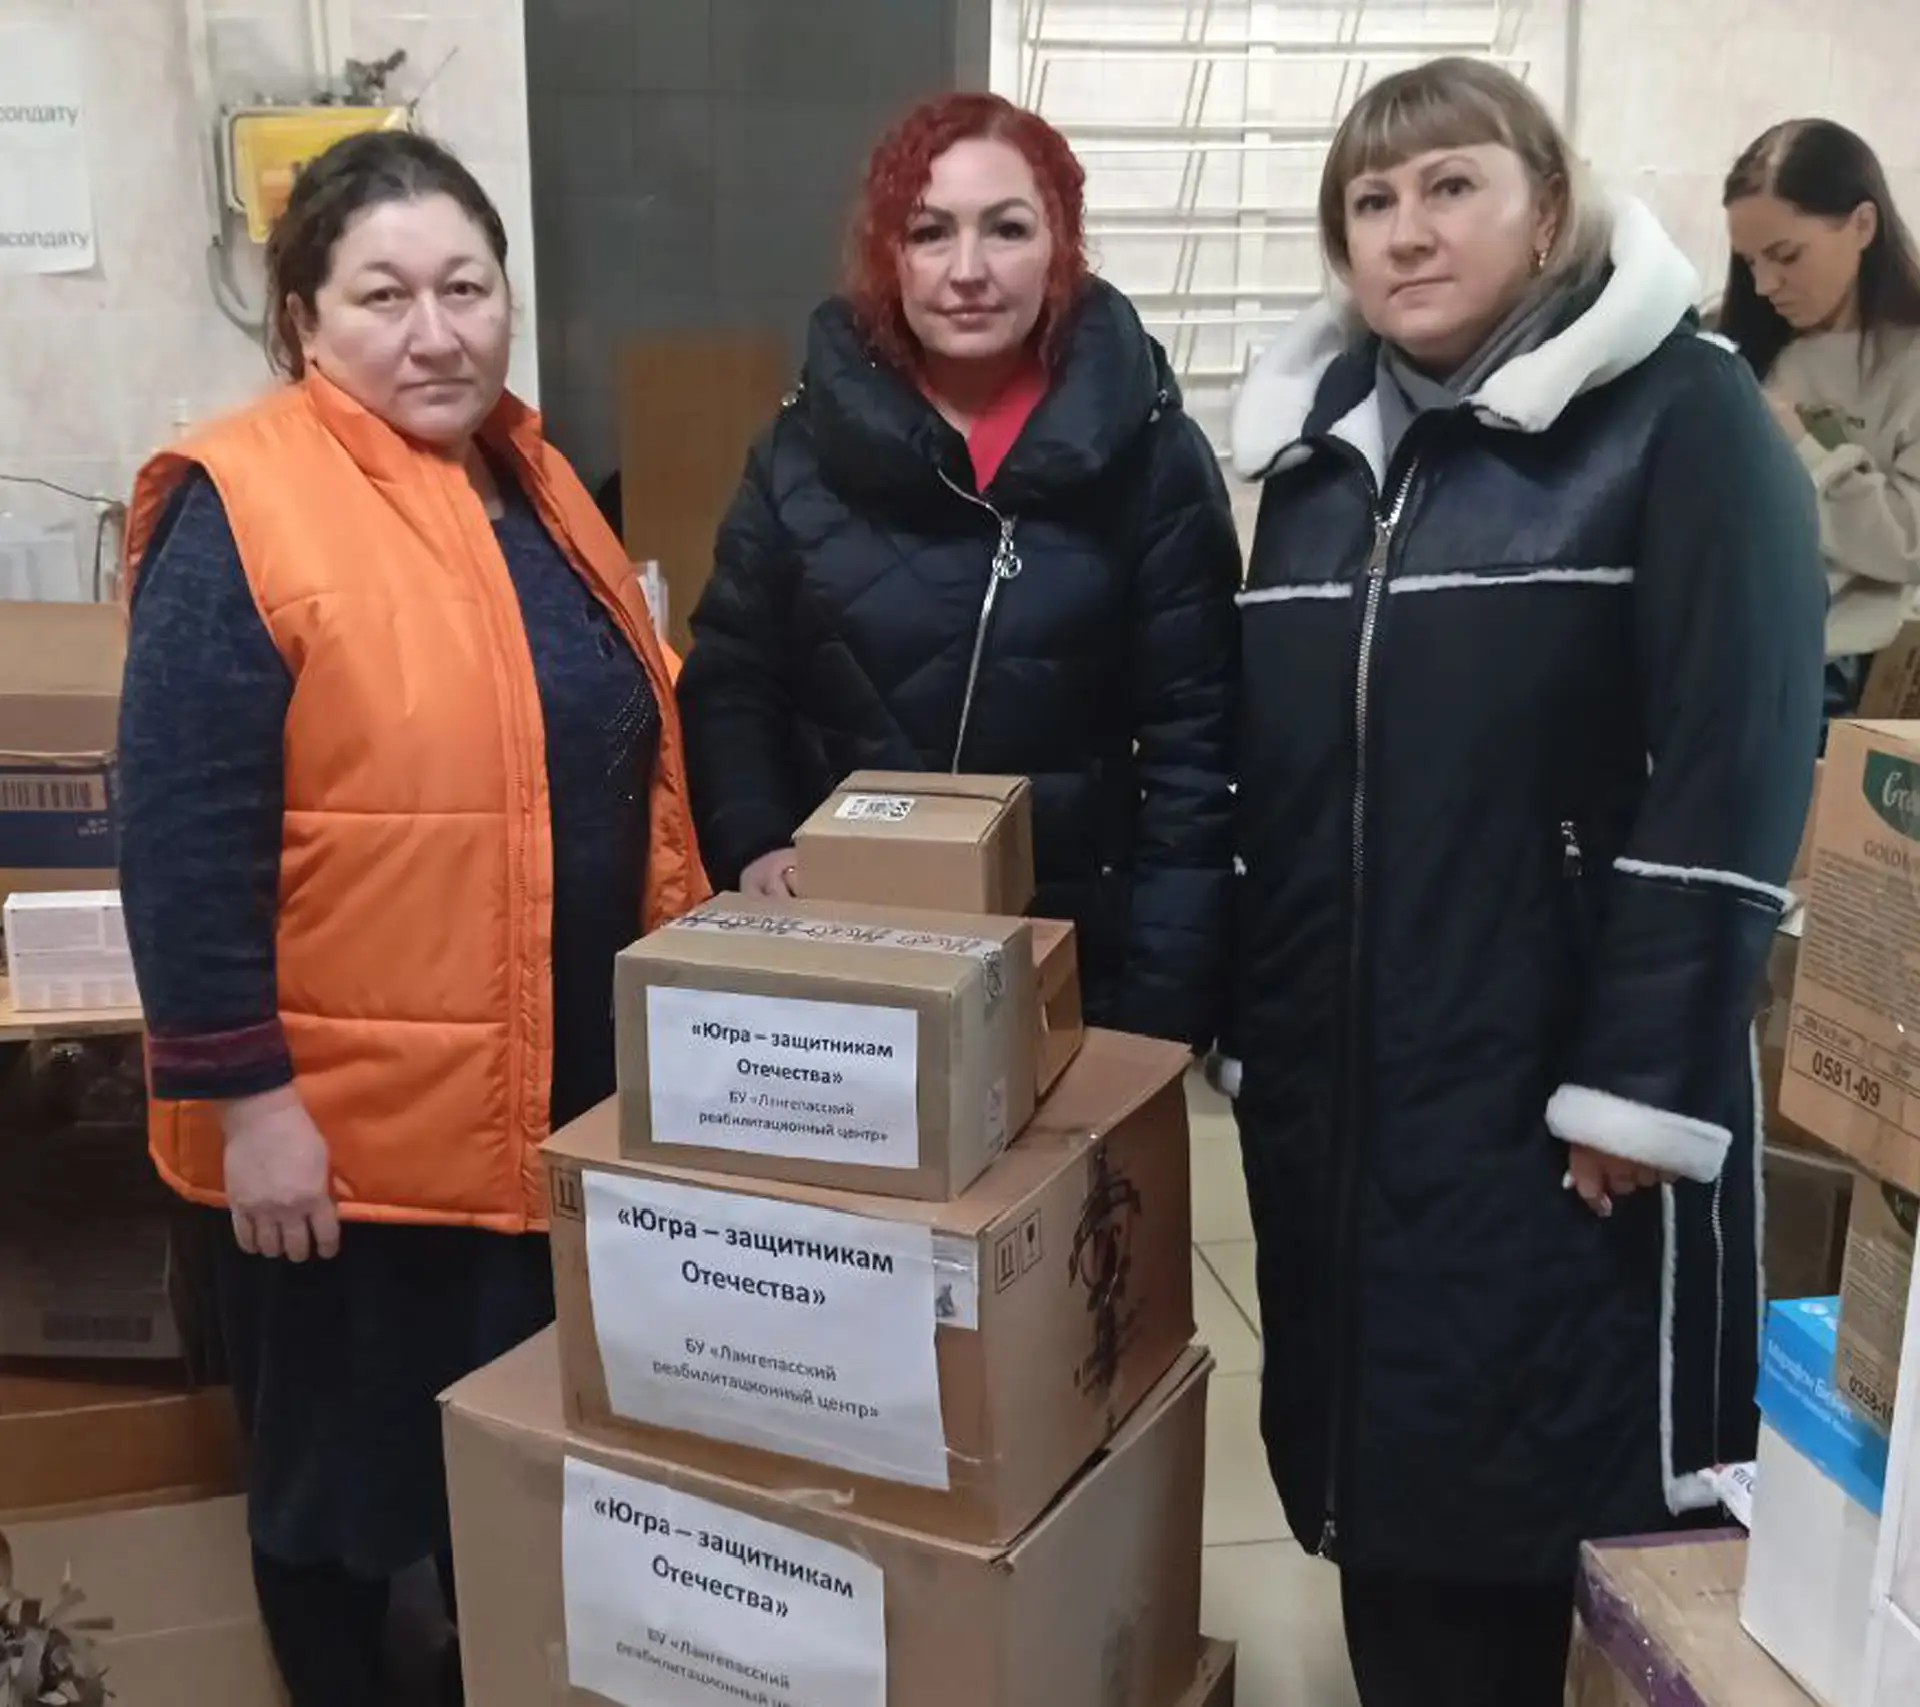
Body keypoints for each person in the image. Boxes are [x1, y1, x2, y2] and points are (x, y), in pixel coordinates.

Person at [1220, 58, 1824, 1706]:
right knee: (1384, 1491)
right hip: (1351, 1085)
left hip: (1558, 1091)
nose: (1407, 232)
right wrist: (1257, 1028)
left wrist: (1640, 1078)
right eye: (1371, 201)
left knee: (1542, 1499)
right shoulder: (1318, 466)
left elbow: (1738, 764)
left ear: (1547, 208)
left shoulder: (1685, 421)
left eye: (1452, 186)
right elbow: (1288, 780)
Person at [116, 130, 707, 1707]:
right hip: (345, 1148)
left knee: (501, 1477)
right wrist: (249, 1103)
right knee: (340, 1502)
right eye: (384, 295)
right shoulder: (245, 499)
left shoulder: (533, 478)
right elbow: (180, 828)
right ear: (303, 318)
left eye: (468, 286)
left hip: (536, 1108)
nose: (435, 331)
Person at [677, 91, 1239, 1050]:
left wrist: (1158, 1012)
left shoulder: (1152, 457)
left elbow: (1199, 748)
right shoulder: (800, 450)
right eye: (930, 232)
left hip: (1071, 971)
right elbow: (731, 677)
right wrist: (756, 842)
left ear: (1061, 247)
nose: (967, 270)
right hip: (839, 960)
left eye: (1007, 229)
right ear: (888, 255)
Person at [1723, 119, 1920, 720]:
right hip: (1734, 651)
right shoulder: (1739, 345)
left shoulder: (1908, 363)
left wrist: (1805, 446)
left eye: (1787, 256)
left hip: (1845, 673)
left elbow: (1908, 544)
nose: (1764, 284)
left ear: (1862, 225)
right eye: (1749, 262)